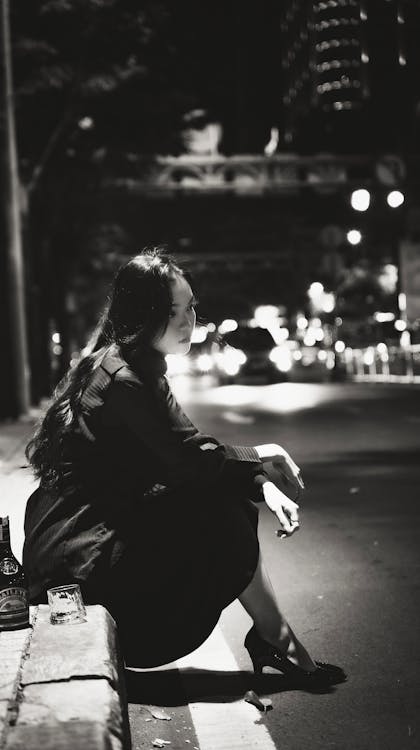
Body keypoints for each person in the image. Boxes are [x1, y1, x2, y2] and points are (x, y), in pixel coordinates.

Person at [23, 249, 344, 687]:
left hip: (81, 550)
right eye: (171, 310)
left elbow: (191, 455)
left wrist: (262, 480)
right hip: (80, 570)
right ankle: (276, 639)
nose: (186, 319)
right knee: (221, 509)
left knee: (218, 497)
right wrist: (262, 458)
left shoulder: (130, 367)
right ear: (143, 314)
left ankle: (276, 637)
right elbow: (192, 462)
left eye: (190, 306)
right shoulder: (125, 381)